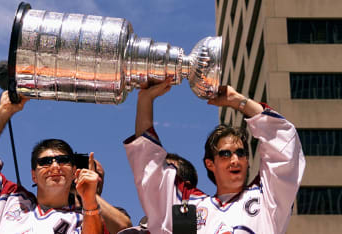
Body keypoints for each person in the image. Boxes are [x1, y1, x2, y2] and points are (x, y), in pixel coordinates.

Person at [124, 79, 306, 233]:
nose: (235, 160)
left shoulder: (267, 199)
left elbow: (284, 146)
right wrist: (145, 100)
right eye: (225, 154)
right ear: (210, 163)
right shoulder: (190, 207)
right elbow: (149, 169)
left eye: (240, 153)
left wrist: (238, 101)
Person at [0, 91, 102, 234]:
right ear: (33, 175)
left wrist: (90, 202)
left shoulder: (83, 220)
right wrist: (4, 110)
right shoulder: (9, 199)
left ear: (73, 172)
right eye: (45, 162)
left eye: (63, 160)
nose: (55, 166)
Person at [70, 157, 133, 234]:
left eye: (100, 175)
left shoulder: (115, 213)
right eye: (92, 173)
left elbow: (125, 228)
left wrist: (89, 193)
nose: (96, 178)